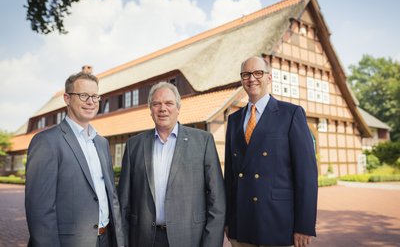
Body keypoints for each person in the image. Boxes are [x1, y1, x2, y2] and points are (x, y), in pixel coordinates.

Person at [224, 56, 318, 247]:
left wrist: (304, 225)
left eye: (258, 73)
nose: (252, 78)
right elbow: (230, 176)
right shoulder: (233, 120)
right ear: (241, 79)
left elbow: (306, 175)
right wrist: (227, 220)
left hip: (277, 222)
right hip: (241, 223)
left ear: (269, 77)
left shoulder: (291, 114)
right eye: (246, 74)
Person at [118, 82, 226, 247]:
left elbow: (216, 200)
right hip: (143, 239)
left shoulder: (203, 142)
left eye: (168, 103)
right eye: (156, 104)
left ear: (178, 108)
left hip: (190, 238)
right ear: (150, 110)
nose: (162, 108)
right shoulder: (134, 145)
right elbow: (124, 202)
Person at [25, 72, 125, 247]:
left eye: (95, 96)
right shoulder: (47, 141)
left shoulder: (101, 143)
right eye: (83, 95)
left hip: (106, 240)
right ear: (67, 98)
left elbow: (112, 198)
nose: (90, 101)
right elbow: (39, 211)